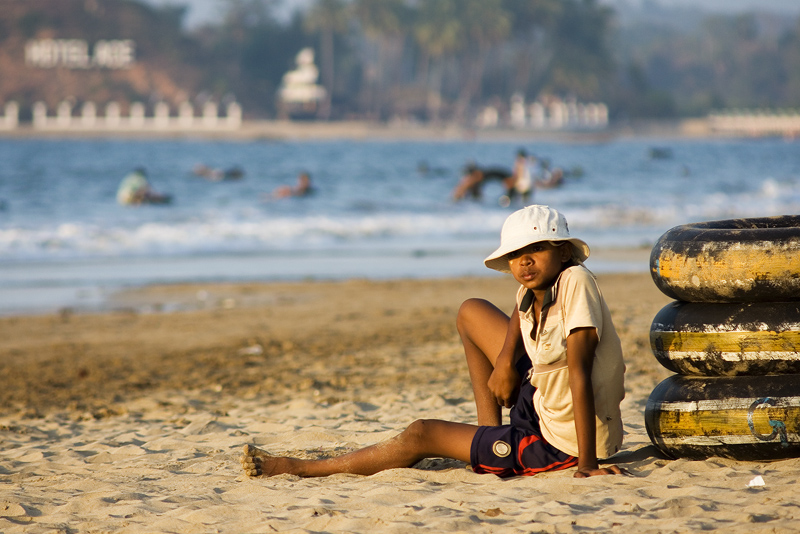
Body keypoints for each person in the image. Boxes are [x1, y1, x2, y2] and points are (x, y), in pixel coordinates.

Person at [241, 204, 627, 479]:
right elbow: (517, 313)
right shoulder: (538, 288)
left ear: (563, 252)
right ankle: (487, 432)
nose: (525, 262)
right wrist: (506, 361)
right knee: (470, 310)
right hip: (540, 395)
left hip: (560, 440)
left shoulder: (574, 281)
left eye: (537, 250)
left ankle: (303, 469)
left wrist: (587, 463)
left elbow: (579, 369)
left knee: (420, 433)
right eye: (516, 255)